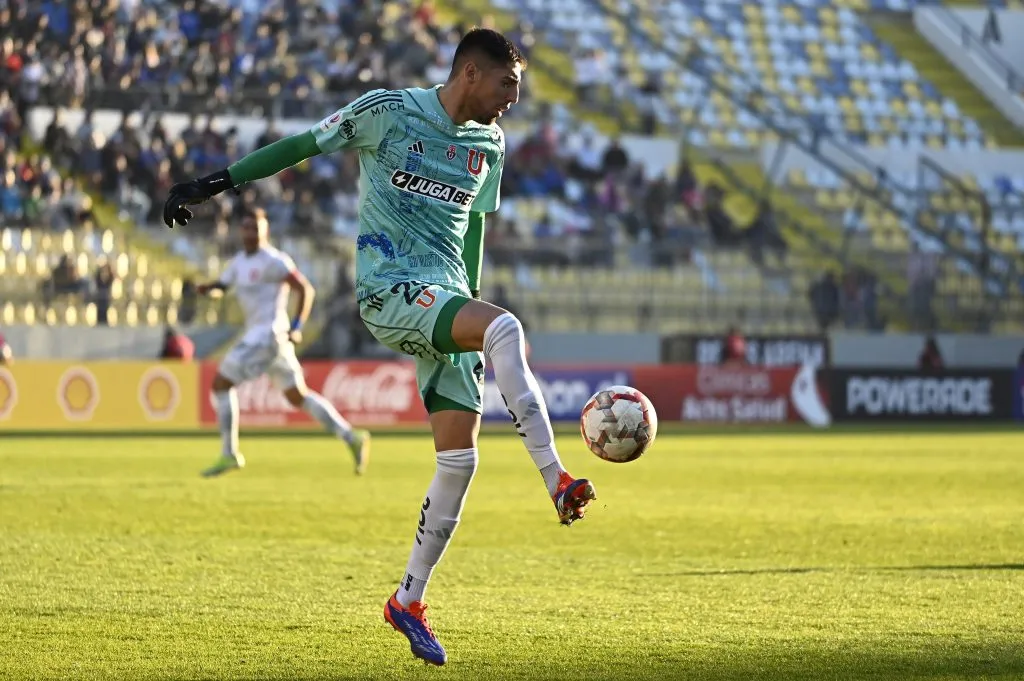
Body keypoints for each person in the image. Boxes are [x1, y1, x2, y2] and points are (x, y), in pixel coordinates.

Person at [162, 28, 596, 667]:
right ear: (471, 74)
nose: (512, 101)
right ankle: (556, 477)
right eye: (507, 86)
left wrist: (464, 318)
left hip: (445, 304)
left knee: (459, 461)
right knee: (506, 326)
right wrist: (215, 182)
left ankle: (408, 602)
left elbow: (472, 226)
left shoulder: (490, 145)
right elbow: (302, 145)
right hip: (390, 290)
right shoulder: (386, 112)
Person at [191, 207, 370, 478]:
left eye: (256, 227)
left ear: (266, 231)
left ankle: (229, 454)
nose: (251, 232)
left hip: (267, 335)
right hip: (268, 340)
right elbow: (222, 287)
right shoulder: (238, 262)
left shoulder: (275, 261)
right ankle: (351, 436)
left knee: (220, 384)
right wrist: (209, 289)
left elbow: (304, 289)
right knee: (298, 396)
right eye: (247, 227)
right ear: (241, 230)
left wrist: (297, 326)